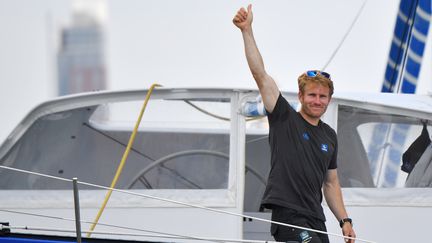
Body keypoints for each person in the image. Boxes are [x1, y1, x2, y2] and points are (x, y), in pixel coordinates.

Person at [233, 4, 356, 243]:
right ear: (300, 97)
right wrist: (246, 31)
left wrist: (345, 221)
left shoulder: (329, 136)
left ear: (329, 100)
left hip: (316, 218)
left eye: (322, 96)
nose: (317, 101)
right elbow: (260, 75)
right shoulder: (284, 117)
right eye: (312, 95)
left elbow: (331, 184)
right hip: (288, 215)